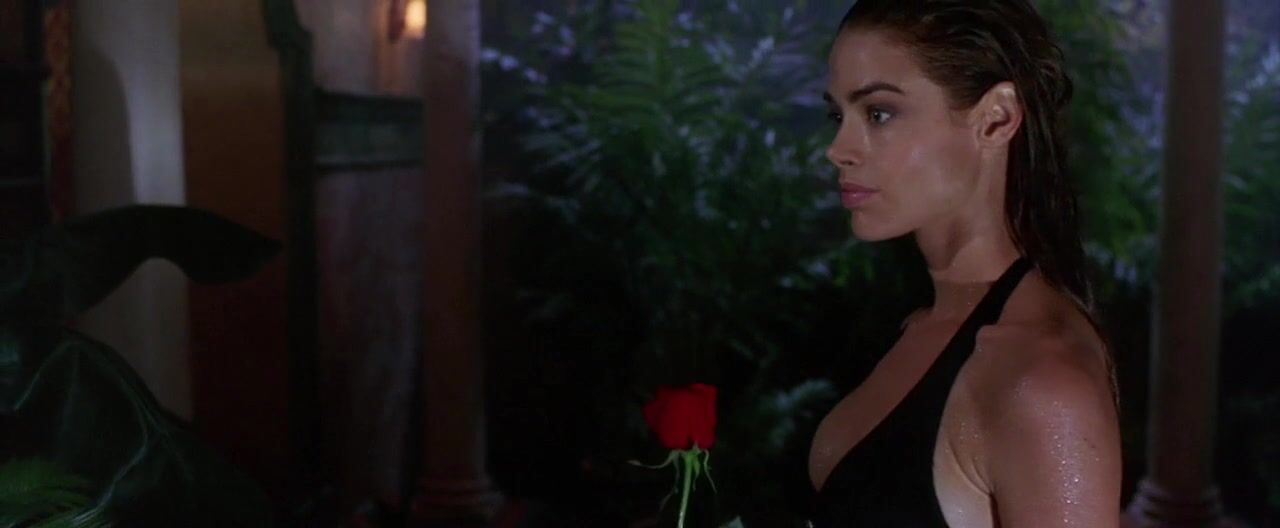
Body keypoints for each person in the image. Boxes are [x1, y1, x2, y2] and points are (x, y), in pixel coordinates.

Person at [806, 1, 1122, 526]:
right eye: (838, 116)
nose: (838, 149)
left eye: (879, 113)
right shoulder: (917, 323)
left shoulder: (1042, 380)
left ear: (996, 118)